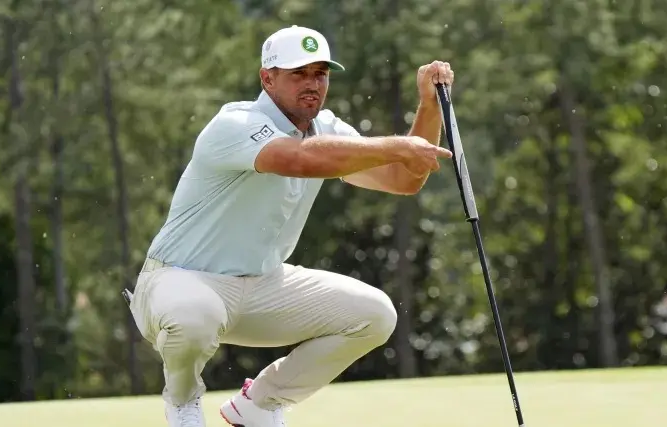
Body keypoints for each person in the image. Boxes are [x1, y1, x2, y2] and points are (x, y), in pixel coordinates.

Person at [127, 24, 455, 427]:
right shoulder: (235, 123)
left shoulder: (328, 130)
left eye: (320, 74)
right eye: (298, 73)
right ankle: (183, 405)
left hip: (262, 286)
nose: (312, 84)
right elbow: (299, 159)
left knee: (375, 315)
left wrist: (429, 106)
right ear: (267, 79)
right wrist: (398, 145)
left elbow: (403, 179)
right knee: (195, 316)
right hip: (180, 280)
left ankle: (259, 405)